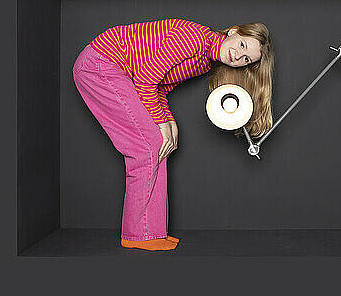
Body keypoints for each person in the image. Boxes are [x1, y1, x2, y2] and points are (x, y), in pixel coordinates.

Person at [72, 18, 274, 251]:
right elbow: (146, 80)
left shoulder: (204, 62)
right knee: (146, 146)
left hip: (114, 71)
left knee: (157, 145)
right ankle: (138, 234)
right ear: (233, 32)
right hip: (100, 64)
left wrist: (169, 122)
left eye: (246, 59)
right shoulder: (195, 38)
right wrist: (163, 123)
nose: (238, 57)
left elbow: (159, 87)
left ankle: (152, 231)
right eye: (242, 46)